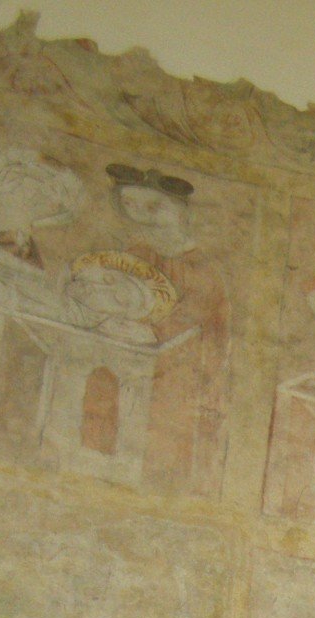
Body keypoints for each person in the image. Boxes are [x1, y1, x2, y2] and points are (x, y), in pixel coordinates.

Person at [104, 163, 230, 491]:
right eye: (131, 205)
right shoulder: (137, 253)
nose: (142, 216)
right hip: (129, 357)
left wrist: (152, 333)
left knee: (162, 435)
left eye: (154, 207)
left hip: (179, 369)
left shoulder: (200, 268)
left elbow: (193, 315)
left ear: (179, 212)